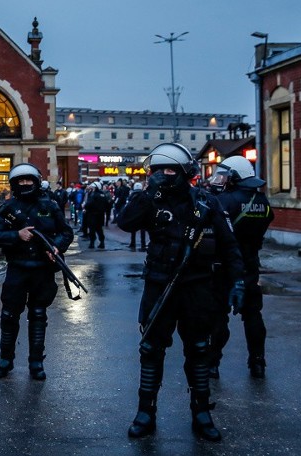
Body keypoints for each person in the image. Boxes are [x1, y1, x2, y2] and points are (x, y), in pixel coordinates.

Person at [117, 143, 245, 442]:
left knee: (199, 349)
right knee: (151, 350)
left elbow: (229, 246)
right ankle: (145, 411)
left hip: (197, 286)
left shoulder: (206, 202)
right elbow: (125, 222)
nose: (164, 174)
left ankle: (201, 412)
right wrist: (149, 192)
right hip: (159, 285)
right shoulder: (150, 200)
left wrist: (238, 282)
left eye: (170, 169)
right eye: (158, 169)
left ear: (186, 171)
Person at [0, 163, 74, 380]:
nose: (25, 184)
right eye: (20, 181)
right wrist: (16, 236)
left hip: (42, 271)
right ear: (14, 184)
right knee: (9, 316)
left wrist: (56, 247)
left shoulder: (50, 206)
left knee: (38, 315)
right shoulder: (7, 209)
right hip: (17, 270)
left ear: (36, 182)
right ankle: (5, 359)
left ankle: (36, 362)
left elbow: (66, 232)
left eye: (29, 180)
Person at [208, 156, 274, 379]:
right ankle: (258, 362)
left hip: (225, 266)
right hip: (250, 265)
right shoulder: (262, 200)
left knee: (219, 316)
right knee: (253, 315)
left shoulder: (225, 201)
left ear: (235, 178)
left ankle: (213, 363)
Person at [84, 181, 111, 249]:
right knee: (99, 229)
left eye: (93, 187)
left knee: (92, 229)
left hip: (92, 215)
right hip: (101, 215)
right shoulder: (103, 195)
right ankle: (102, 242)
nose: (92, 188)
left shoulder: (94, 195)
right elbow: (107, 204)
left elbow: (89, 204)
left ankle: (92, 243)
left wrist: (85, 207)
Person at [127, 182, 147, 252]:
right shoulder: (144, 194)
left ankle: (133, 243)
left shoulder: (132, 195)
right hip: (142, 215)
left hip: (134, 215)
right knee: (142, 231)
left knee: (133, 229)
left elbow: (129, 204)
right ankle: (143, 245)